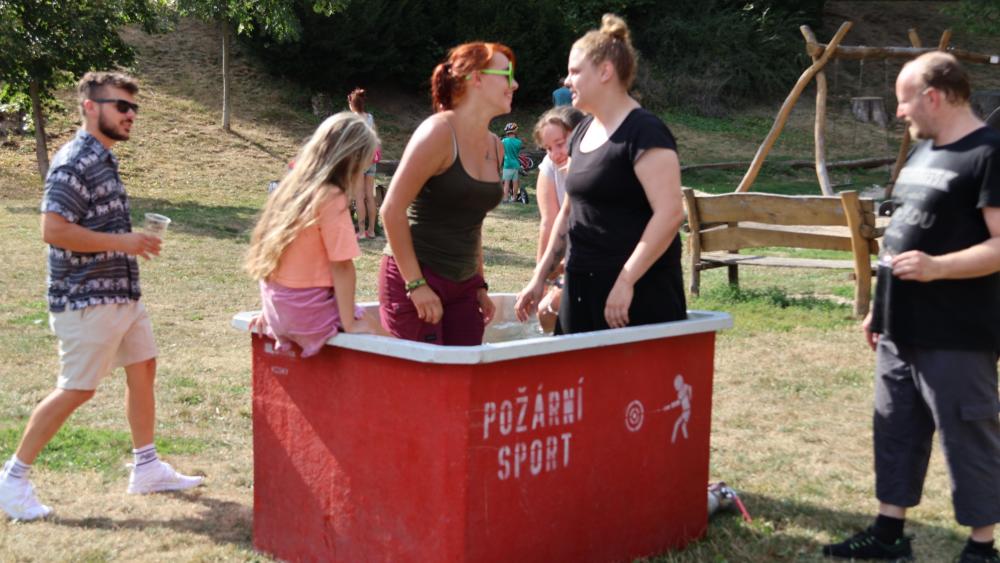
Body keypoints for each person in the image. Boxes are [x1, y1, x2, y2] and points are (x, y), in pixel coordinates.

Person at [0, 71, 204, 521]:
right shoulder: (75, 161)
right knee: (76, 389)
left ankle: (146, 467)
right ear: (91, 107)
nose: (131, 115)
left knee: (143, 367)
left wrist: (130, 243)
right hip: (86, 297)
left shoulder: (103, 158)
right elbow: (52, 229)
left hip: (120, 294)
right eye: (122, 106)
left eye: (134, 107)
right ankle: (11, 479)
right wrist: (122, 242)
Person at [822, 52, 1000, 563]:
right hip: (900, 327)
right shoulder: (923, 153)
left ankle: (981, 548)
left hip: (959, 332)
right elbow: (904, 234)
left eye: (904, 101)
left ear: (933, 97)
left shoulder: (989, 153)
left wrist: (938, 267)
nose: (899, 112)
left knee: (968, 437)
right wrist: (879, 309)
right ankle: (888, 535)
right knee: (895, 428)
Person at [514, 14, 686, 334]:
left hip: (637, 293)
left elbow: (670, 213)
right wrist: (539, 277)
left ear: (605, 71)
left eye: (575, 71)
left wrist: (626, 280)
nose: (567, 81)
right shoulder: (581, 132)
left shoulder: (645, 132)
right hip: (581, 286)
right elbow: (569, 211)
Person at [378, 41, 515, 345]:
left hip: (464, 284)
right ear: (476, 78)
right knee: (426, 374)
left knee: (466, 371)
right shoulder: (438, 132)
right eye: (507, 75)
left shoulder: (495, 145)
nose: (515, 84)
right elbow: (391, 209)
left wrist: (479, 283)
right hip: (417, 277)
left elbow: (473, 221)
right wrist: (416, 284)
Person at [245, 112, 379, 357]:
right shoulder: (331, 196)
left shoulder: (290, 189)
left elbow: (269, 251)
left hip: (276, 307)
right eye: (363, 167)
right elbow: (342, 266)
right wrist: (350, 322)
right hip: (306, 315)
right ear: (351, 161)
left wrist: (272, 311)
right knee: (382, 334)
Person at [531, 106, 584, 332]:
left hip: (594, 256)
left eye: (560, 144)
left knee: (551, 311)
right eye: (548, 148)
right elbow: (549, 222)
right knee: (545, 313)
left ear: (578, 134)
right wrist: (540, 279)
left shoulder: (594, 164)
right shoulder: (550, 165)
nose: (554, 154)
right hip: (567, 251)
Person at [348, 87, 379, 239]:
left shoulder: (352, 119)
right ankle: (371, 231)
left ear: (351, 104)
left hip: (358, 161)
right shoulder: (370, 117)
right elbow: (375, 138)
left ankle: (361, 232)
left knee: (359, 197)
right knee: (370, 196)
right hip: (371, 159)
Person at [501, 122, 523, 203]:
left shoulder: (504, 141)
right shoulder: (519, 142)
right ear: (515, 131)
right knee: (515, 183)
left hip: (507, 165)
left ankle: (505, 198)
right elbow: (517, 151)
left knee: (506, 183)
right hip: (516, 165)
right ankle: (514, 198)